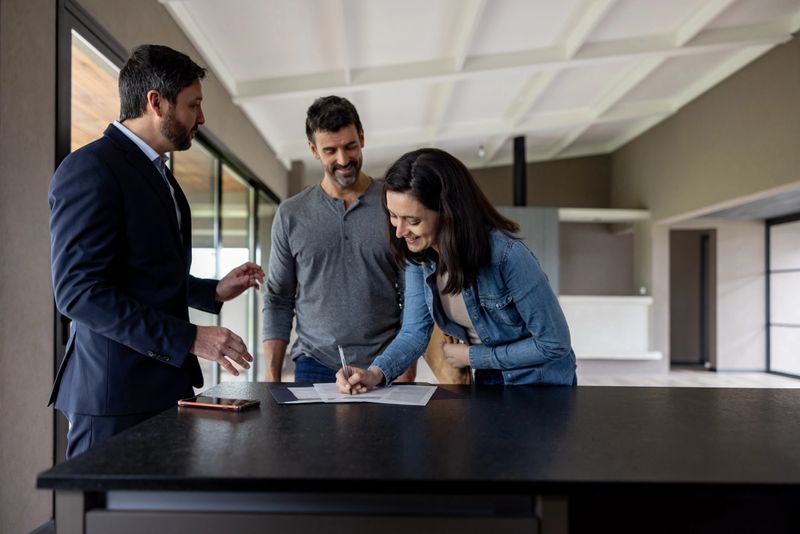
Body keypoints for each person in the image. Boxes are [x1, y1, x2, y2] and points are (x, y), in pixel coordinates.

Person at [49, 44, 264, 458]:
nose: (201, 118)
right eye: (193, 105)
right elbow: (79, 293)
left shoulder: (160, 174)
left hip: (164, 389)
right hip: (114, 401)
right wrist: (189, 339)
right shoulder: (90, 169)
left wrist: (212, 292)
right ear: (156, 102)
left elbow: (142, 275)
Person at [337, 148, 577, 393]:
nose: (399, 231)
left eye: (413, 220)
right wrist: (375, 373)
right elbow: (414, 332)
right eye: (393, 216)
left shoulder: (507, 256)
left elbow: (554, 343)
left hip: (542, 388)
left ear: (448, 212)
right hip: (489, 385)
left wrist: (474, 357)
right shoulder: (419, 257)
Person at [262, 96, 415, 383]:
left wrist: (405, 367)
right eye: (330, 150)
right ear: (313, 150)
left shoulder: (394, 205)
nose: (343, 160)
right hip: (314, 363)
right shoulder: (291, 214)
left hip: (385, 362)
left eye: (350, 146)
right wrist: (272, 380)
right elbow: (279, 298)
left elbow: (412, 295)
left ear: (362, 138)